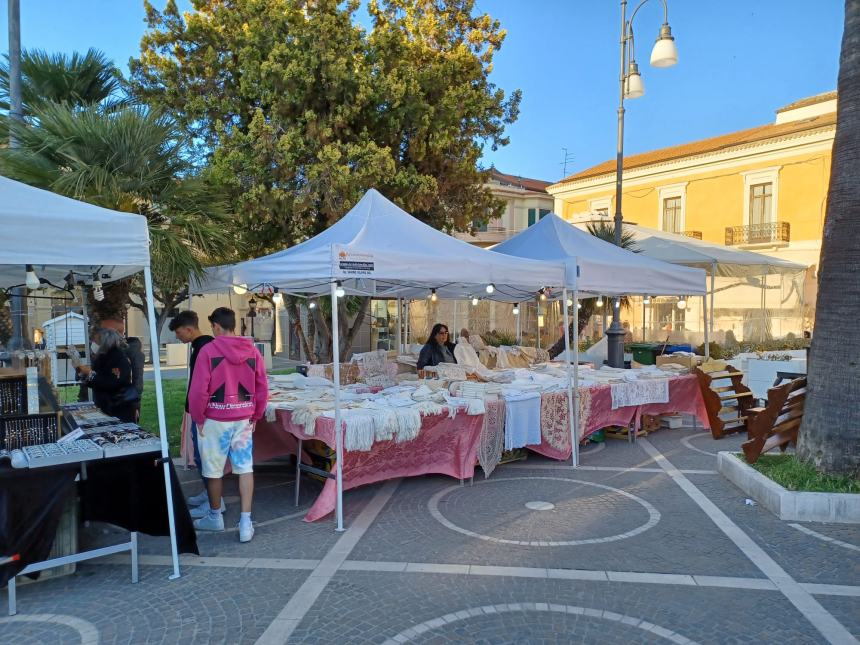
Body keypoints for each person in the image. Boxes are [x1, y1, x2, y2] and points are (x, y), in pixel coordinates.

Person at [188, 307, 268, 542]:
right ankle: (245, 522)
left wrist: (198, 417)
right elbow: (262, 386)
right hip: (243, 418)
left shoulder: (208, 351)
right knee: (245, 468)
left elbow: (198, 389)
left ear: (215, 326)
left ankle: (215, 516)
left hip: (214, 420)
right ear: (234, 324)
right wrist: (256, 415)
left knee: (213, 470)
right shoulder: (253, 351)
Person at [169, 310, 215, 517]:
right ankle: (210, 494)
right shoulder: (201, 346)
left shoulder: (204, 348)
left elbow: (202, 385)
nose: (178, 337)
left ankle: (216, 501)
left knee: (204, 456)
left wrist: (197, 411)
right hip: (202, 410)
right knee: (202, 456)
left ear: (189, 329)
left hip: (204, 413)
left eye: (179, 333)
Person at [77, 327, 138, 422]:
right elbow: (96, 381)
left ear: (105, 342)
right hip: (105, 405)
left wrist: (89, 373)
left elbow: (110, 382)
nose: (93, 343)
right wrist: (82, 372)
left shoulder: (118, 358)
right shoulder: (102, 357)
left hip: (119, 407)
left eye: (96, 340)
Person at [101, 317, 145, 421]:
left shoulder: (130, 351)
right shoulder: (110, 349)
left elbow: (137, 382)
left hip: (123, 404)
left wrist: (134, 406)